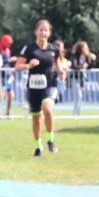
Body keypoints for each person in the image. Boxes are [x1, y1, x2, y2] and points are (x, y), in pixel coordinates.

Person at [15, 19, 61, 156]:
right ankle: (38, 146)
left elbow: (57, 64)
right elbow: (17, 66)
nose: (43, 32)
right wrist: (29, 65)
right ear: (36, 32)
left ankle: (50, 140)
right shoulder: (29, 49)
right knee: (36, 119)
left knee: (47, 108)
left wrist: (62, 71)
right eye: (41, 29)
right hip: (34, 88)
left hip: (50, 85)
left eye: (46, 30)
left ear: (49, 33)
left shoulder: (54, 49)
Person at [70, 40, 94, 117]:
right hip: (75, 78)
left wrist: (91, 58)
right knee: (78, 96)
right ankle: (75, 114)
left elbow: (89, 66)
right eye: (85, 48)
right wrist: (82, 66)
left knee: (80, 97)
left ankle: (77, 114)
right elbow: (74, 66)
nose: (86, 49)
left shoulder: (85, 56)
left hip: (82, 79)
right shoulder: (74, 56)